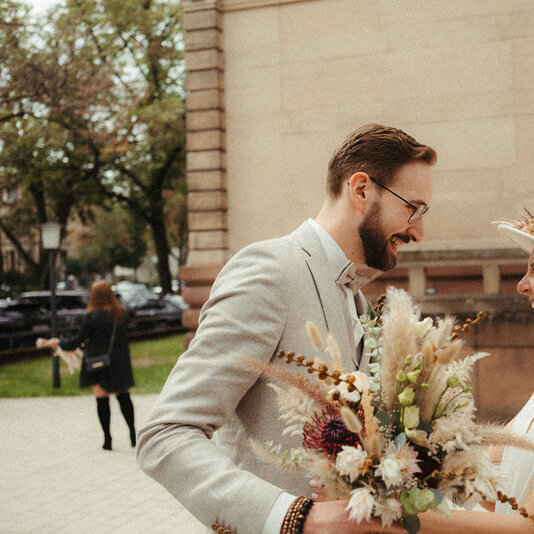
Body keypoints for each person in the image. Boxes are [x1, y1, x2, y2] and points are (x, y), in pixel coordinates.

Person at [136, 123, 437, 534]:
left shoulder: (359, 298)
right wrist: (293, 518)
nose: (418, 231)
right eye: (412, 208)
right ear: (361, 190)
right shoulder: (270, 272)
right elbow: (166, 434)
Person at [330, 201, 534, 534]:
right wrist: (387, 462)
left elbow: (532, 526)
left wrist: (393, 516)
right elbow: (490, 484)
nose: (522, 285)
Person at [47, 280, 136, 451]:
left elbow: (77, 341)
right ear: (111, 294)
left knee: (102, 400)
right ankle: (133, 434)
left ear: (93, 297)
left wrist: (59, 343)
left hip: (97, 363)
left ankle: (107, 439)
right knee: (124, 397)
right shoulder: (122, 315)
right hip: (119, 362)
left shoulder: (91, 317)